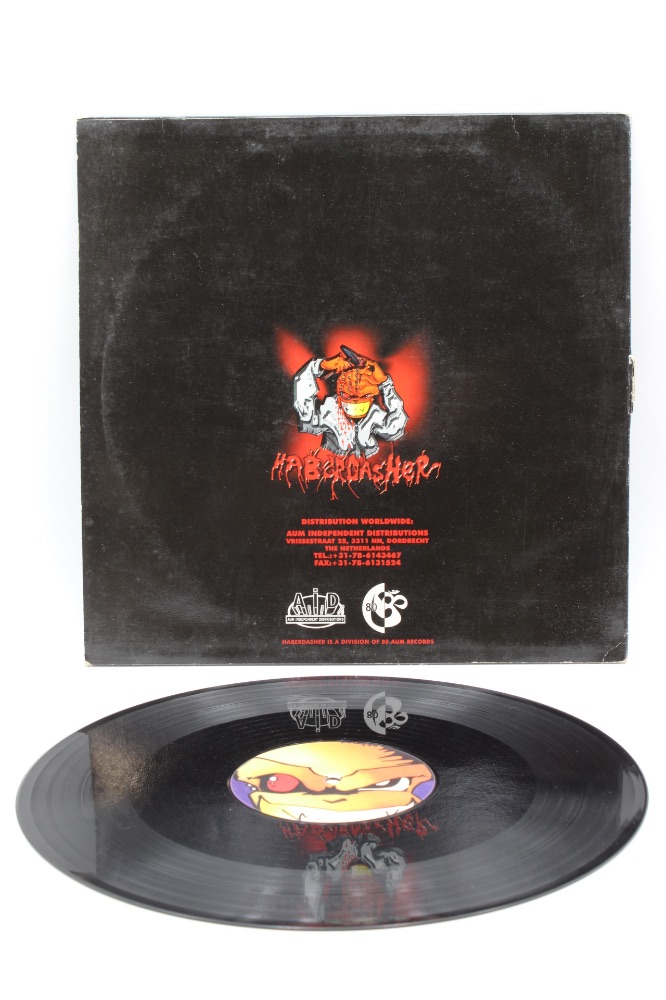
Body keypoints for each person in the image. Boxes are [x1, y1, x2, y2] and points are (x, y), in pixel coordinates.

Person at [293, 347, 408, 457]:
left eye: (363, 395)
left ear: (371, 396)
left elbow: (395, 426)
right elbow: (304, 406)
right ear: (339, 393)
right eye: (349, 395)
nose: (356, 400)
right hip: (331, 459)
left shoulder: (374, 413)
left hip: (369, 463)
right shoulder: (330, 410)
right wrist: (320, 365)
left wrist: (385, 382)